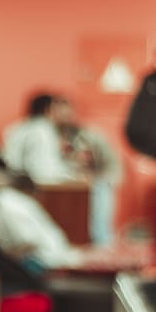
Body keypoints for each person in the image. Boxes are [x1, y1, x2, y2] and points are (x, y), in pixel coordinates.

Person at [52, 96, 122, 245]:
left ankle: (102, 246)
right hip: (62, 186)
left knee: (100, 205)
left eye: (66, 113)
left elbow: (112, 164)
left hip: (95, 185)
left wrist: (101, 179)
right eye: (58, 112)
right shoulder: (47, 136)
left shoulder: (90, 135)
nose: (63, 117)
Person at [2, 93, 73, 184]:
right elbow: (46, 171)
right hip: (37, 184)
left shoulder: (17, 127)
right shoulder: (43, 129)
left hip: (16, 179)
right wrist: (72, 175)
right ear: (48, 109)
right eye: (56, 108)